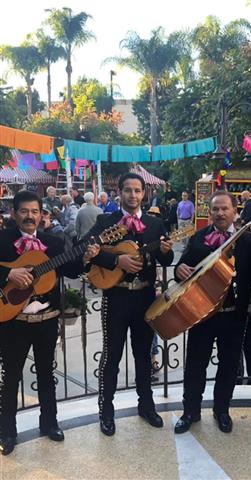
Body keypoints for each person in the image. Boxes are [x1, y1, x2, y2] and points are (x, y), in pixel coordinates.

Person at [0, 191, 99, 456]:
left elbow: (71, 270)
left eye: (34, 211)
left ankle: (49, 423)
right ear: (14, 214)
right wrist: (8, 272)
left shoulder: (53, 243)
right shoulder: (2, 240)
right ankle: (7, 431)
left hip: (46, 320)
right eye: (24, 211)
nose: (29, 216)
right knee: (10, 378)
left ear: (42, 214)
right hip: (13, 321)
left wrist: (86, 257)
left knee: (47, 375)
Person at [85, 172, 174, 437]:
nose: (133, 195)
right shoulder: (106, 221)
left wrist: (166, 253)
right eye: (128, 190)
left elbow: (165, 260)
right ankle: (107, 413)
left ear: (144, 193)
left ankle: (146, 406)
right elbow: (85, 248)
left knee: (144, 355)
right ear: (119, 193)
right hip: (117, 297)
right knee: (111, 357)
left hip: (145, 297)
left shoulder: (154, 224)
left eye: (137, 190)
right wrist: (116, 262)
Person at [173, 190, 251, 435]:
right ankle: (190, 411)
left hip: (234, 315)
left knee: (229, 365)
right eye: (215, 209)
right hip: (202, 314)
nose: (220, 213)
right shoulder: (198, 238)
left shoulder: (249, 241)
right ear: (209, 212)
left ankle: (221, 410)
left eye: (225, 208)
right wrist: (179, 269)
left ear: (235, 211)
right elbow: (182, 267)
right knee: (195, 364)